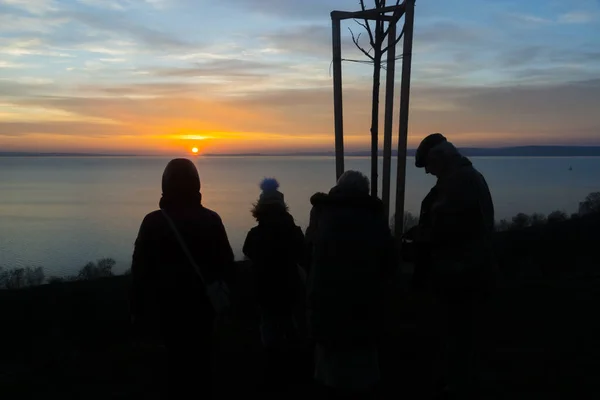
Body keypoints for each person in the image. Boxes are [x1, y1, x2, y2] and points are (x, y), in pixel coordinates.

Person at [130, 158, 234, 398]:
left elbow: (140, 271)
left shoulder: (153, 222)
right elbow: (227, 266)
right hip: (204, 307)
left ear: (165, 185)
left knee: (173, 366)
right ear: (196, 184)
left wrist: (137, 309)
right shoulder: (212, 219)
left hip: (167, 308)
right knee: (202, 363)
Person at [406, 133, 496, 399]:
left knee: (458, 335)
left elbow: (448, 230)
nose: (428, 173)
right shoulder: (467, 178)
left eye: (428, 167)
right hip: (468, 271)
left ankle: (458, 386)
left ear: (440, 158)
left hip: (461, 274)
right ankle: (459, 381)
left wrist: (418, 239)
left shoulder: (457, 184)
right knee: (462, 335)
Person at [305, 170, 396, 399]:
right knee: (362, 360)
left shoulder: (321, 212)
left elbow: (309, 247)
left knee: (330, 360)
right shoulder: (373, 216)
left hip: (327, 297)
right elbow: (388, 259)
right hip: (364, 299)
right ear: (364, 192)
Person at [242, 178, 306, 390]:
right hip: (289, 286)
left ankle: (272, 370)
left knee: (269, 327)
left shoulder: (255, 235)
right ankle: (295, 369)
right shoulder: (293, 232)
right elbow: (304, 254)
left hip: (264, 288)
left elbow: (247, 251)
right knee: (290, 325)